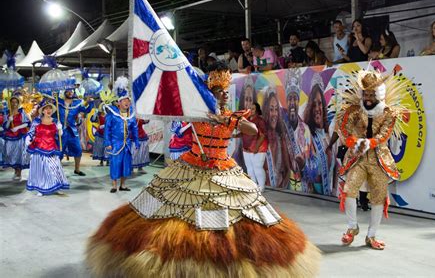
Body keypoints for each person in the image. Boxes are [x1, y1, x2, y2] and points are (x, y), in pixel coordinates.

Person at [86, 67, 320, 277]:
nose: (225, 94)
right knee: (179, 211)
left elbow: (252, 129)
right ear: (211, 93)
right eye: (220, 91)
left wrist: (228, 123)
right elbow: (175, 119)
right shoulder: (197, 115)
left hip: (223, 168)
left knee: (237, 215)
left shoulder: (230, 116)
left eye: (226, 90)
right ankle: (182, 261)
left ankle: (221, 264)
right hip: (193, 166)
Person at [337, 69, 411, 250]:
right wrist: (352, 141)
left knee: (378, 198)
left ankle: (371, 236)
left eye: (372, 94)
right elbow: (344, 128)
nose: (368, 98)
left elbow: (384, 135)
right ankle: (352, 227)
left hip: (379, 160)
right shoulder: (353, 110)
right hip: (357, 159)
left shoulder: (389, 113)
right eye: (366, 94)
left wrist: (369, 142)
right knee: (348, 190)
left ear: (379, 94)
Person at [25, 100, 69, 196]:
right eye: (46, 108)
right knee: (41, 168)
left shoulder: (56, 121)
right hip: (39, 147)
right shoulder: (37, 121)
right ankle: (41, 188)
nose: (48, 110)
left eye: (50, 108)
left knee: (54, 167)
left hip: (52, 147)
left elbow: (59, 135)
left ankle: (56, 186)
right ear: (43, 111)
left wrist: (60, 129)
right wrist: (28, 138)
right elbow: (31, 132)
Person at [104, 77, 139, 193]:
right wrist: (108, 143)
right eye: (124, 100)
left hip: (127, 144)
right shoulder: (112, 114)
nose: (127, 102)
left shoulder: (131, 115)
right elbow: (107, 130)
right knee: (115, 164)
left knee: (126, 164)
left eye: (128, 100)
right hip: (115, 144)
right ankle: (114, 185)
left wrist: (137, 141)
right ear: (119, 102)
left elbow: (134, 129)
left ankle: (123, 185)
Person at [283, 68, 313, 192]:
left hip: (304, 186)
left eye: (295, 98)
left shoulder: (305, 129)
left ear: (299, 101)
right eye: (289, 98)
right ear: (286, 101)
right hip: (285, 187)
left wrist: (304, 164)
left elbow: (313, 160)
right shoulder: (281, 128)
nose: (292, 102)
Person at [303, 74, 333, 195]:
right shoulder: (308, 132)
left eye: (319, 103)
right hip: (316, 192)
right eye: (313, 104)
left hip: (330, 193)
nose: (317, 108)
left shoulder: (329, 133)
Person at [56, 86, 94, 176]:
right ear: (65, 92)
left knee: (78, 149)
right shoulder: (58, 102)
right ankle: (57, 169)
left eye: (72, 91)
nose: (70, 92)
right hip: (60, 131)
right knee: (59, 151)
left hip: (72, 131)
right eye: (68, 91)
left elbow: (87, 110)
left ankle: (77, 169)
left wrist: (90, 102)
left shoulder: (77, 104)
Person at [262, 86, 292, 189]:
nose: (274, 114)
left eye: (276, 109)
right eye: (271, 109)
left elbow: (288, 170)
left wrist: (282, 190)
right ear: (265, 111)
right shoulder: (259, 136)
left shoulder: (281, 138)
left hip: (278, 193)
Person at [240, 103, 268, 191]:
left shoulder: (260, 120)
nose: (250, 111)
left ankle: (262, 187)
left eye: (253, 109)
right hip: (247, 148)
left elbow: (263, 135)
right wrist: (235, 135)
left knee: (257, 167)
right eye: (249, 109)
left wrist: (256, 147)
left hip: (258, 149)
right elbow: (243, 132)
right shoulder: (246, 120)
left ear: (257, 110)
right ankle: (254, 186)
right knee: (249, 168)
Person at [3, 94, 30, 180]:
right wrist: (9, 121)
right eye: (12, 102)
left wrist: (18, 127)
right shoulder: (7, 112)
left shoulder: (22, 111)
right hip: (10, 135)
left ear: (18, 103)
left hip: (20, 134)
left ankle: (18, 172)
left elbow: (27, 123)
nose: (14, 104)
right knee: (9, 153)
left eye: (16, 102)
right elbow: (5, 127)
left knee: (19, 154)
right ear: (10, 103)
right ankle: (15, 170)